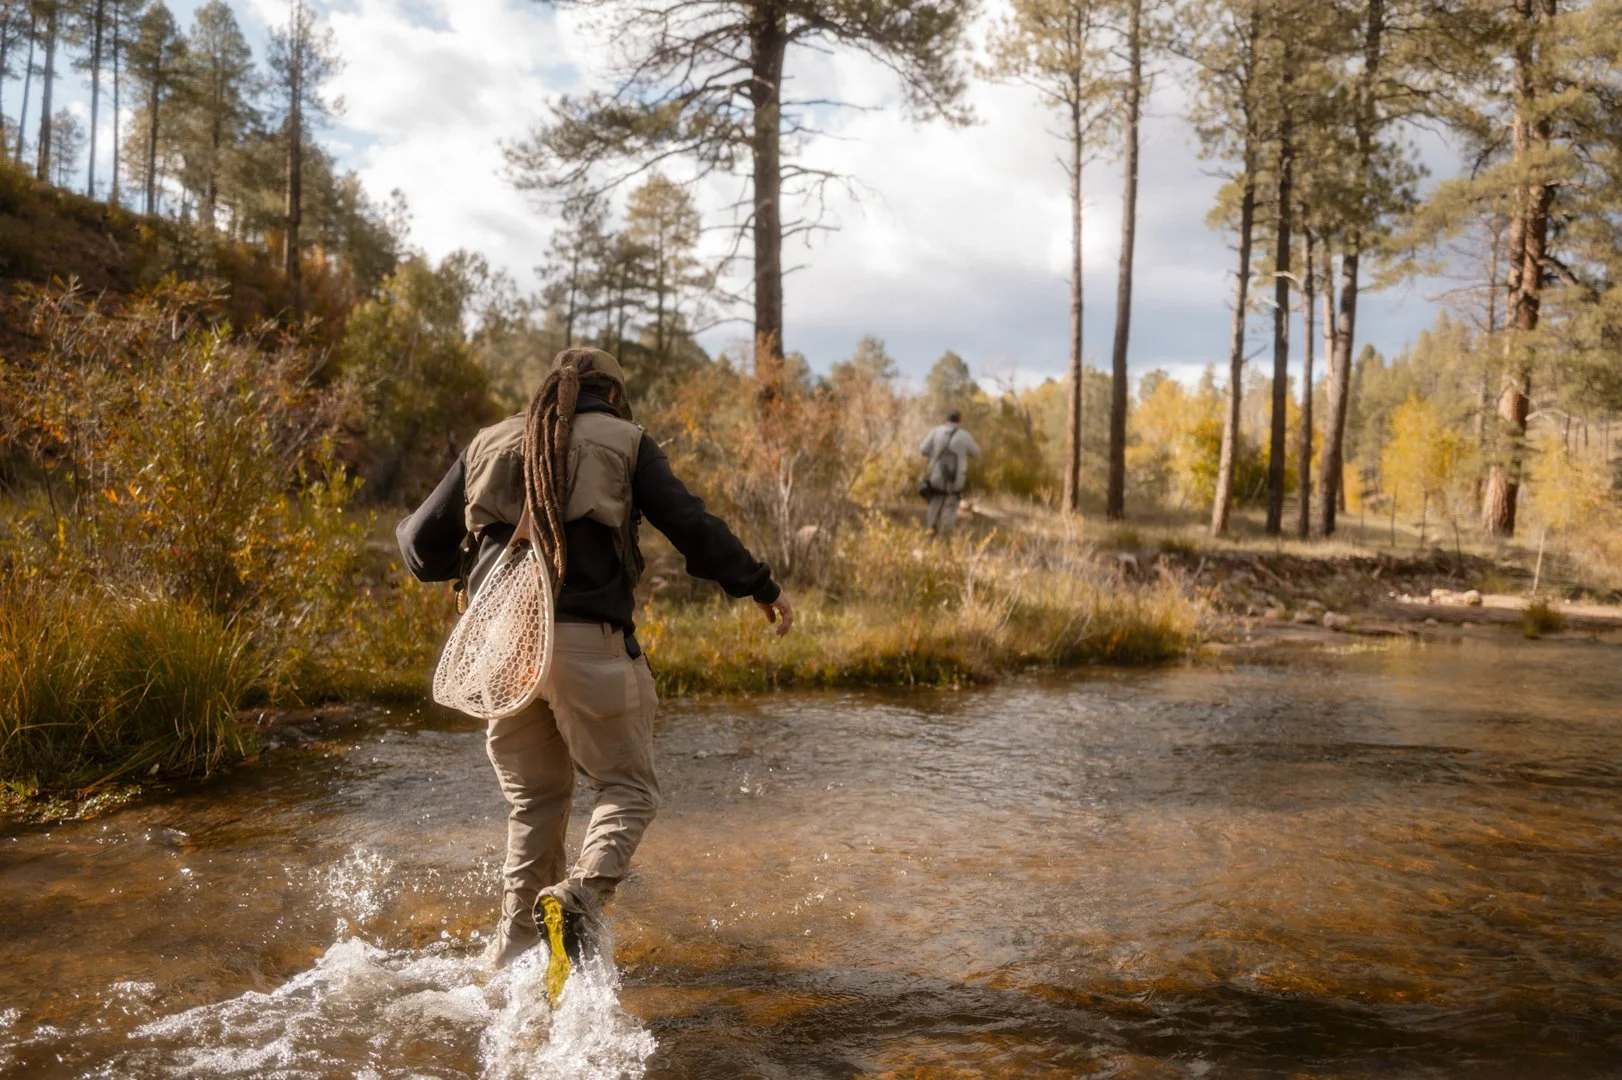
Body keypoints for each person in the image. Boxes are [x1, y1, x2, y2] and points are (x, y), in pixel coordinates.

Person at [396, 347, 794, 970]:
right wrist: (760, 585)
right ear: (611, 394)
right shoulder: (625, 439)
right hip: (588, 645)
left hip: (505, 648)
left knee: (534, 805)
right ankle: (578, 896)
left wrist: (470, 570)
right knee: (627, 788)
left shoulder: (491, 441)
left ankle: (509, 957)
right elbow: (692, 527)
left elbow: (418, 545)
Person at [918, 410, 980, 535]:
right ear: (959, 421)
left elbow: (923, 449)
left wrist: (934, 456)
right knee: (950, 507)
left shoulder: (936, 431)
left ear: (947, 419)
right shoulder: (964, 435)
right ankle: (945, 538)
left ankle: (931, 534)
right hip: (956, 479)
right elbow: (977, 453)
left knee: (934, 504)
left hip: (936, 476)